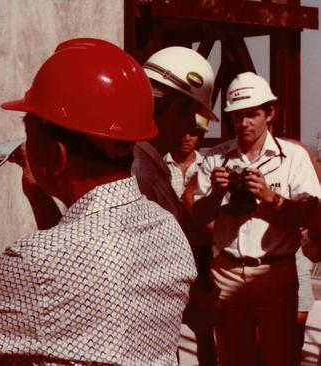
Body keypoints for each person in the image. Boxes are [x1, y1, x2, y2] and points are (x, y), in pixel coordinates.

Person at [0, 38, 197, 365]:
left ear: (56, 155)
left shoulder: (40, 260)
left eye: (30, 135)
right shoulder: (167, 229)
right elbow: (78, 266)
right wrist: (37, 192)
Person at [191, 71, 321, 366]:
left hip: (275, 271)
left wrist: (268, 196)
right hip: (227, 271)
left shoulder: (293, 157)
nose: (243, 123)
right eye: (237, 116)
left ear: (270, 113)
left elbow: (312, 215)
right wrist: (215, 193)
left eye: (252, 114)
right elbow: (198, 216)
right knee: (233, 359)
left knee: (280, 358)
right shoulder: (217, 157)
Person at [137, 46, 220, 365]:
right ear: (171, 107)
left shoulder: (148, 165)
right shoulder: (139, 172)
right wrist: (190, 305)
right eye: (189, 115)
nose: (190, 130)